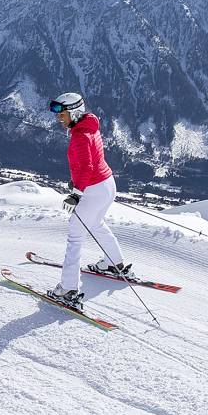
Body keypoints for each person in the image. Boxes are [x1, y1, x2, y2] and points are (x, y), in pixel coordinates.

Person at [47, 90, 130, 310]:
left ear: (74, 112)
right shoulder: (89, 126)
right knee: (95, 224)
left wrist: (76, 193)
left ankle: (67, 288)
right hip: (106, 184)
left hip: (93, 189)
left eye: (62, 113)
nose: (58, 118)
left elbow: (86, 167)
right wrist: (76, 183)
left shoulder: (80, 136)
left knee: (75, 235)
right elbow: (90, 163)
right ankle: (114, 263)